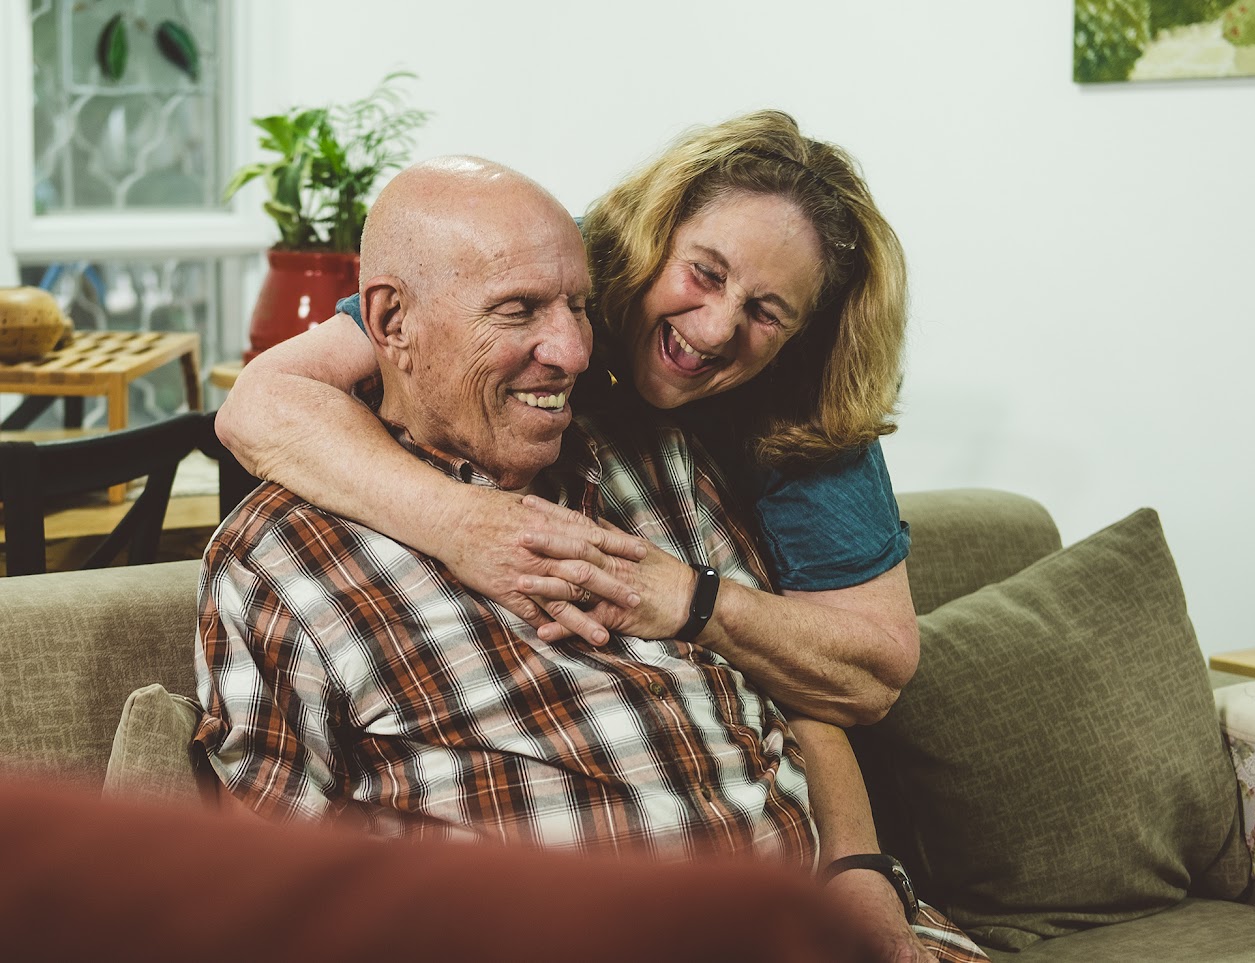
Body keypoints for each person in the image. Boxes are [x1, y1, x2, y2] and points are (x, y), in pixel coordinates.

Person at [198, 158, 985, 963]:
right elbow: (269, 878)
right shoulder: (284, 559)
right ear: (392, 324)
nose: (574, 351)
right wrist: (467, 523)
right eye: (521, 311)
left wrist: (857, 873)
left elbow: (823, 686)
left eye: (578, 308)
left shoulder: (660, 456)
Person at [215, 110, 918, 730]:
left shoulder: (805, 388)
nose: (714, 328)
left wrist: (690, 598)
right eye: (704, 272)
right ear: (653, 235)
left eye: (767, 313)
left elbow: (873, 674)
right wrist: (462, 524)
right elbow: (261, 401)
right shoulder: (561, 266)